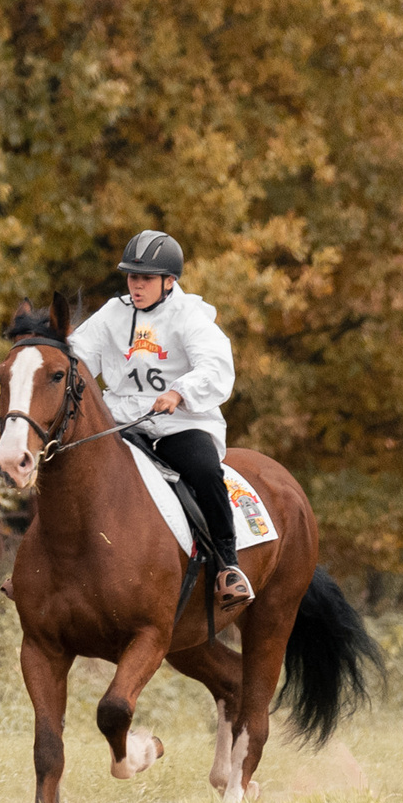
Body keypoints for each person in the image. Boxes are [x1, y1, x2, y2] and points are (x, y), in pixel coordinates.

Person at [68, 230, 253, 606]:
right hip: (122, 420)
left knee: (204, 470)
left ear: (169, 281)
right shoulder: (113, 313)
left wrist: (178, 392)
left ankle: (227, 565)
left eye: (146, 278)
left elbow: (215, 365)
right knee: (73, 466)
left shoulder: (189, 315)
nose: (136, 285)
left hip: (179, 421)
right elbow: (76, 358)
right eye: (132, 277)